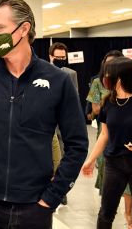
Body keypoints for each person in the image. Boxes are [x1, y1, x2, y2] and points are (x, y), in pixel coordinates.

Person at [0, 0, 88, 229]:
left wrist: (52, 197)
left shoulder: (57, 80)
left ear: (24, 29)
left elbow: (77, 143)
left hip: (35, 206)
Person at [82, 56, 132, 229]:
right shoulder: (108, 101)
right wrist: (91, 159)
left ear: (121, 77)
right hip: (114, 163)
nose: (105, 79)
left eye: (109, 75)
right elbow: (104, 135)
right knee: (106, 212)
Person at [85, 50, 132, 228]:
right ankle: (106, 211)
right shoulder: (98, 83)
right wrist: (112, 99)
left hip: (129, 136)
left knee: (130, 179)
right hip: (107, 134)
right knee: (108, 176)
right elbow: (96, 109)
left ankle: (129, 213)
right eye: (108, 64)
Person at [48, 42, 79, 206]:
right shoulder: (43, 72)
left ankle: (61, 190)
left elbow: (74, 98)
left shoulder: (71, 74)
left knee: (63, 156)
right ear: (50, 57)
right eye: (57, 57)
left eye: (63, 57)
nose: (60, 60)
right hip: (47, 121)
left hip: (64, 123)